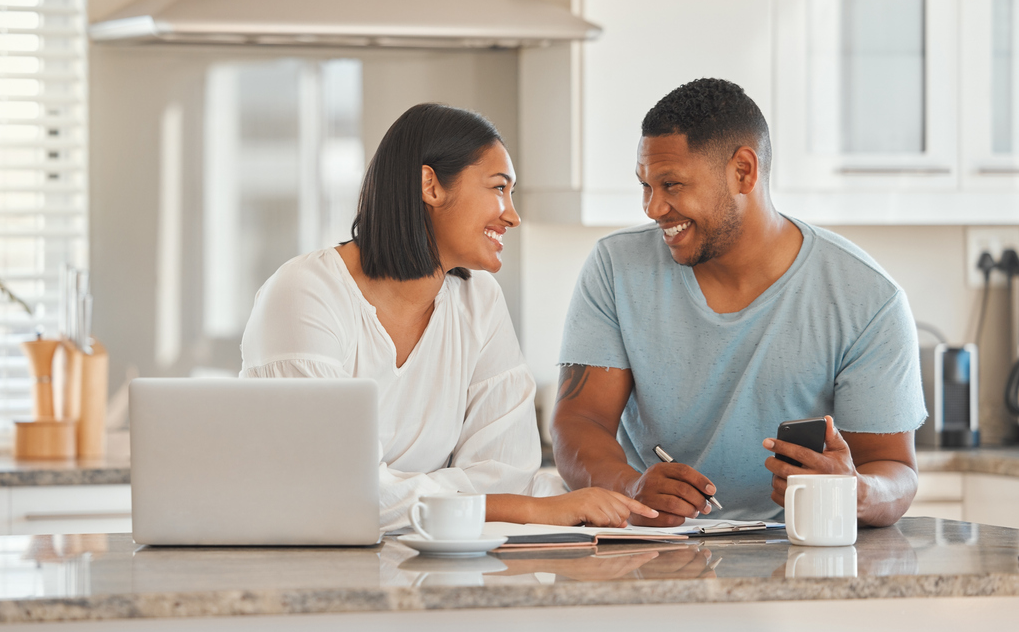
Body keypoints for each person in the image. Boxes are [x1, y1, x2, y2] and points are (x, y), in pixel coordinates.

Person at [241, 103, 656, 533]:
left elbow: (507, 472)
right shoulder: (306, 292)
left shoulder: (479, 301)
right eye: (499, 188)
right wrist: (524, 509)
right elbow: (331, 492)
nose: (511, 215)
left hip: (428, 563)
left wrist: (394, 493)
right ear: (430, 185)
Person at [552, 78, 925, 527]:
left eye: (671, 184)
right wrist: (629, 486)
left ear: (743, 171)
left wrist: (855, 491)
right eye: (646, 186)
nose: (652, 208)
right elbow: (579, 422)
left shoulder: (868, 299)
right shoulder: (615, 268)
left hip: (797, 550)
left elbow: (896, 471)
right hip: (652, 547)